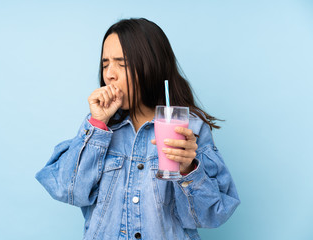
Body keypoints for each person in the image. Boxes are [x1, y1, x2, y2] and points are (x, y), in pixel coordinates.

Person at [36, 18, 240, 240]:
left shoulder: (189, 129)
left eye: (121, 64)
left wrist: (187, 169)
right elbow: (67, 190)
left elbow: (211, 216)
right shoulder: (99, 128)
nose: (109, 75)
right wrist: (96, 126)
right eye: (105, 64)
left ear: (150, 65)